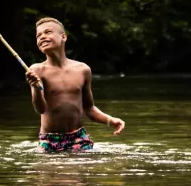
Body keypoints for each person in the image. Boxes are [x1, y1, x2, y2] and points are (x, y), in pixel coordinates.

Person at [25, 17, 125, 153]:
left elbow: (88, 108)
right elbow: (40, 109)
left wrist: (110, 120)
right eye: (38, 35)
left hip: (78, 138)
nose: (42, 37)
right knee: (47, 173)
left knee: (80, 172)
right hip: (49, 140)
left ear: (63, 37)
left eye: (47, 32)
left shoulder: (82, 70)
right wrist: (36, 89)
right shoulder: (37, 70)